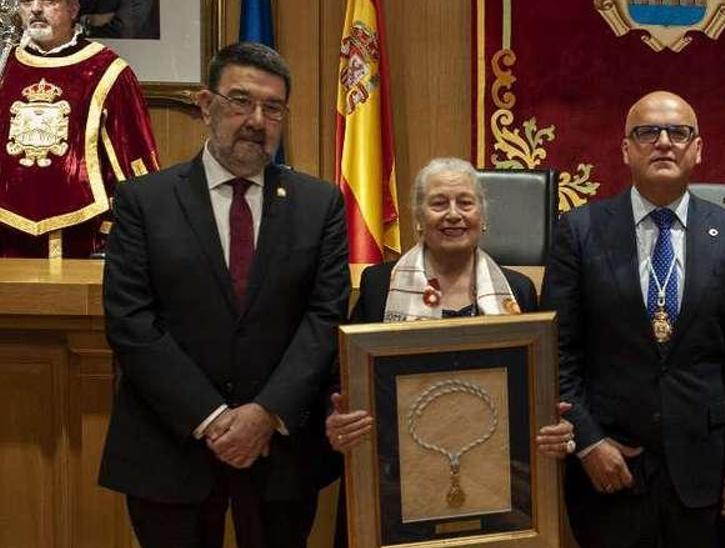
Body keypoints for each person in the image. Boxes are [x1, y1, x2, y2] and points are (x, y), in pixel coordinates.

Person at [98, 42, 349, 548]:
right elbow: (130, 320)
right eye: (240, 101)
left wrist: (264, 414)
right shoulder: (144, 201)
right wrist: (211, 419)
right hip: (170, 448)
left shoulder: (318, 204)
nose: (256, 119)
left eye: (272, 107)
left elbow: (324, 318)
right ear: (205, 104)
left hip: (278, 452)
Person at [541, 90, 725, 548]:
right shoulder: (579, 230)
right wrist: (588, 441)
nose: (664, 142)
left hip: (710, 472)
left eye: (678, 132)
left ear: (698, 149)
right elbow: (557, 349)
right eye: (648, 132)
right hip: (609, 467)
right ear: (625, 149)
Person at [323, 157, 574, 547]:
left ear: (483, 216)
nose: (453, 215)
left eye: (466, 203)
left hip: (497, 478)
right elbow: (343, 376)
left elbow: (538, 387)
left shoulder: (519, 291)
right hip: (394, 480)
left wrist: (552, 424)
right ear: (418, 217)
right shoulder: (378, 286)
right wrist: (337, 420)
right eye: (439, 203)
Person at [0, 0, 158, 258]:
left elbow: (136, 165)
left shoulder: (108, 71)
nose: (36, 9)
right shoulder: (5, 65)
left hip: (82, 235)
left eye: (49, 1)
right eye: (28, 1)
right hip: (5, 233)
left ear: (73, 9)